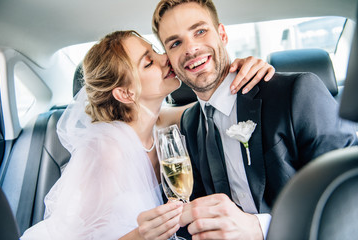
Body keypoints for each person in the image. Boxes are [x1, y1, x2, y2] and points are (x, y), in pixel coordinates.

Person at [20, 29, 275, 240]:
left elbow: (213, 102)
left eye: (156, 51)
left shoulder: (161, 121)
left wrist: (242, 70)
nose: (166, 58)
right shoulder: (106, 152)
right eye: (149, 61)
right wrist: (139, 237)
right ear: (125, 93)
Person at [152, 0, 358, 239]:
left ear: (222, 34)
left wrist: (259, 228)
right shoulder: (190, 122)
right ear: (168, 57)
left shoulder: (295, 93)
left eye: (200, 31)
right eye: (176, 43)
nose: (191, 49)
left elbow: (348, 197)